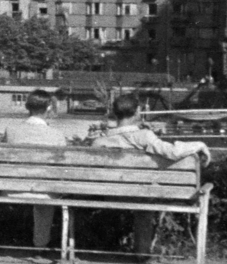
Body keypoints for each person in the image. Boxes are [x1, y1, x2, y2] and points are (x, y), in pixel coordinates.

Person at [90, 93, 210, 255]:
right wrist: (200, 144)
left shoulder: (99, 142)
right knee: (144, 206)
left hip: (107, 194)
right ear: (137, 111)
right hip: (140, 193)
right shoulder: (144, 136)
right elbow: (172, 152)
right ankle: (142, 253)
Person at [4, 89, 68, 250]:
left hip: (12, 189)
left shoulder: (11, 131)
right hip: (44, 190)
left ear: (28, 107)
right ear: (48, 108)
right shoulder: (57, 135)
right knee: (47, 194)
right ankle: (40, 244)